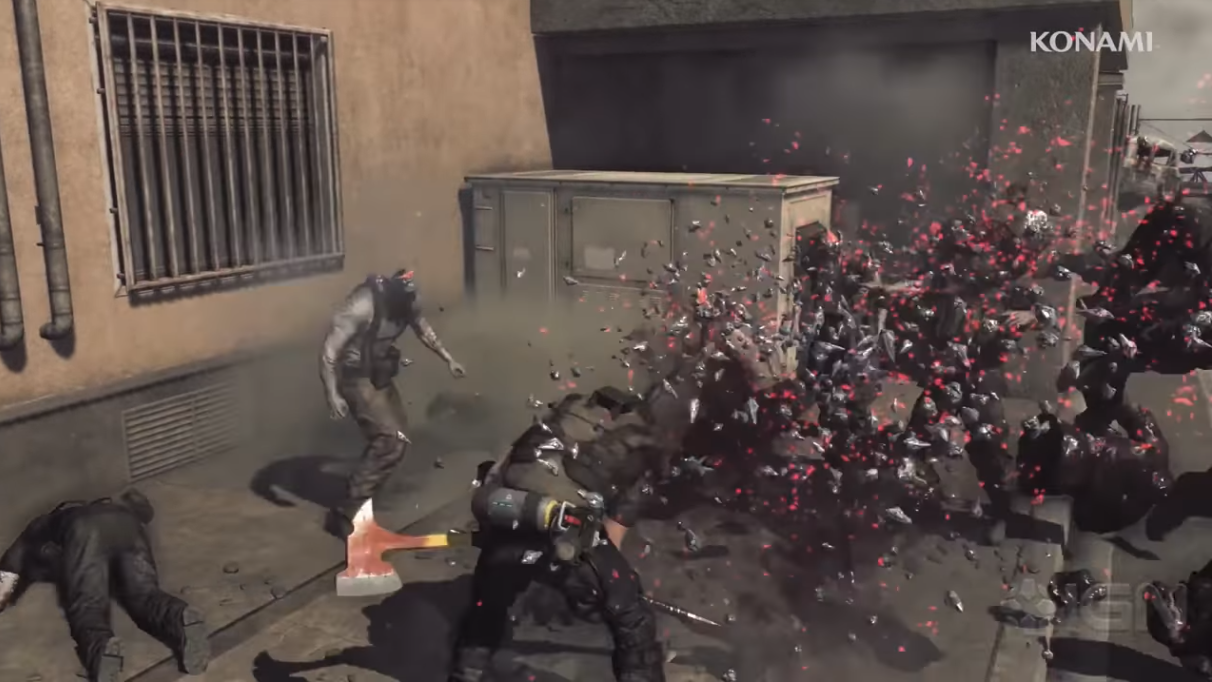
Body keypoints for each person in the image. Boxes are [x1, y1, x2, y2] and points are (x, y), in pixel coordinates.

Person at [447, 384, 686, 682]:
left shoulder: (559, 416)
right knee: (631, 616)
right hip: (564, 531)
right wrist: (596, 586)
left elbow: (496, 478)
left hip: (508, 528)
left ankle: (466, 674)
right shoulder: (643, 450)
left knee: (488, 607)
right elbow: (613, 532)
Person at [0, 490, 208, 682]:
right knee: (144, 595)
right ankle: (179, 617)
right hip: (129, 524)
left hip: (85, 531)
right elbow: (145, 513)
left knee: (87, 606)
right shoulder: (108, 507)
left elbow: (10, 565)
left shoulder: (44, 523)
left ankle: (102, 651)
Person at [320, 269, 466, 536]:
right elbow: (329, 352)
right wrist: (332, 393)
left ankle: (368, 494)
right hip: (356, 377)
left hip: (380, 375)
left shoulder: (409, 301)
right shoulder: (361, 307)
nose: (408, 306)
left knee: (399, 440)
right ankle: (344, 513)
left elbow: (424, 330)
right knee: (390, 441)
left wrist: (449, 359)